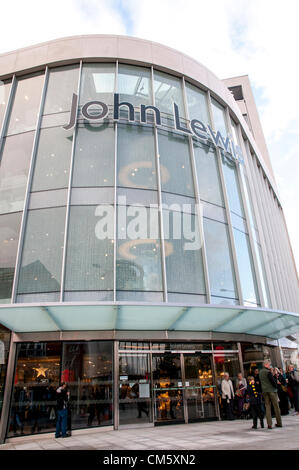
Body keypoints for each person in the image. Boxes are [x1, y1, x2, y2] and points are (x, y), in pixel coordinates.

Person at [259, 359, 282, 429]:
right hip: (272, 390)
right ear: (266, 364)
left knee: (267, 407)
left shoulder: (261, 372)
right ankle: (279, 422)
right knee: (276, 407)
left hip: (265, 391)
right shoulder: (268, 372)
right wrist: (276, 384)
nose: (270, 366)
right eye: (269, 364)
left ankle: (269, 424)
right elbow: (273, 381)